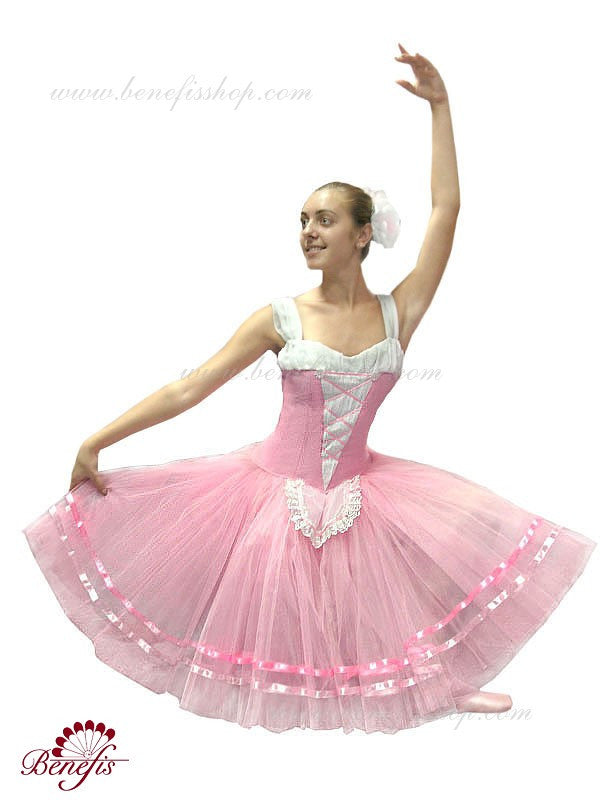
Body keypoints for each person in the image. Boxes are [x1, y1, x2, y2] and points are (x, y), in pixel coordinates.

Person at [21, 44, 596, 734]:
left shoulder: (399, 312)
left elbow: (447, 209)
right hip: (269, 491)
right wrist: (97, 439)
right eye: (302, 220)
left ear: (364, 234)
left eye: (324, 220)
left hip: (363, 488)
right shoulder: (280, 317)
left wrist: (441, 108)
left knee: (400, 576)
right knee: (273, 606)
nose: (307, 233)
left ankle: (436, 686)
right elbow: (192, 386)